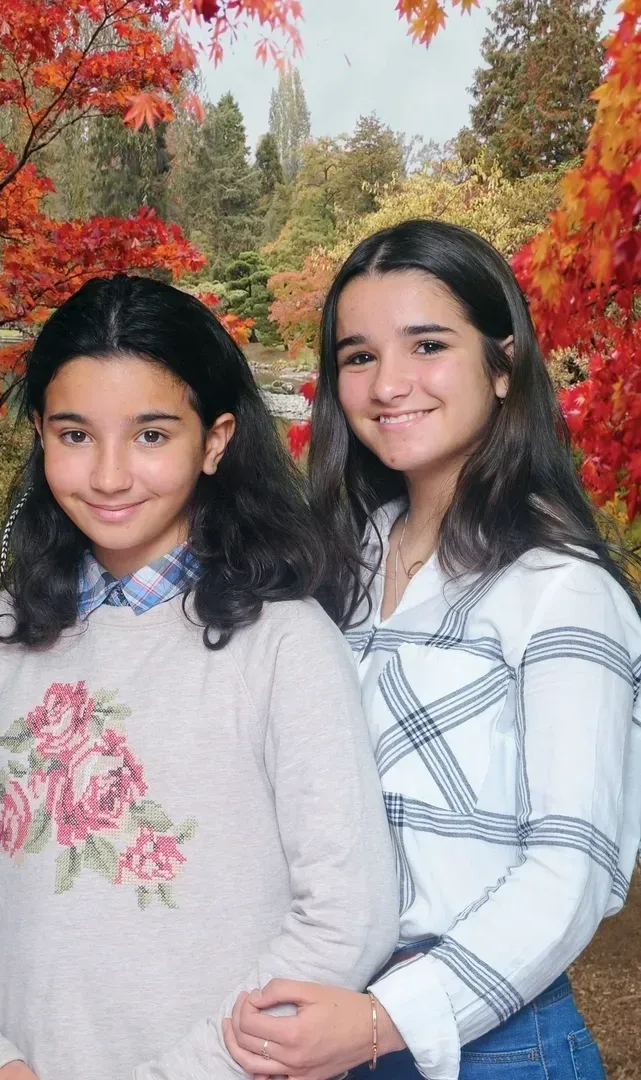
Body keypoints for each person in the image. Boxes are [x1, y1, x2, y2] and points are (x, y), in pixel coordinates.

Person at [0, 275, 399, 1080]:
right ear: (40, 433)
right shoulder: (4, 633)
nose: (109, 476)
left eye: (150, 435)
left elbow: (345, 916)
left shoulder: (284, 643)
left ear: (213, 441)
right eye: (75, 435)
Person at [222, 220, 641, 1080]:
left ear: (502, 363)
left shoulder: (560, 590)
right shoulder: (330, 569)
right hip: (319, 1027)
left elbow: (569, 873)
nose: (389, 384)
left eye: (426, 345)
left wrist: (383, 1021)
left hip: (495, 1047)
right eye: (358, 356)